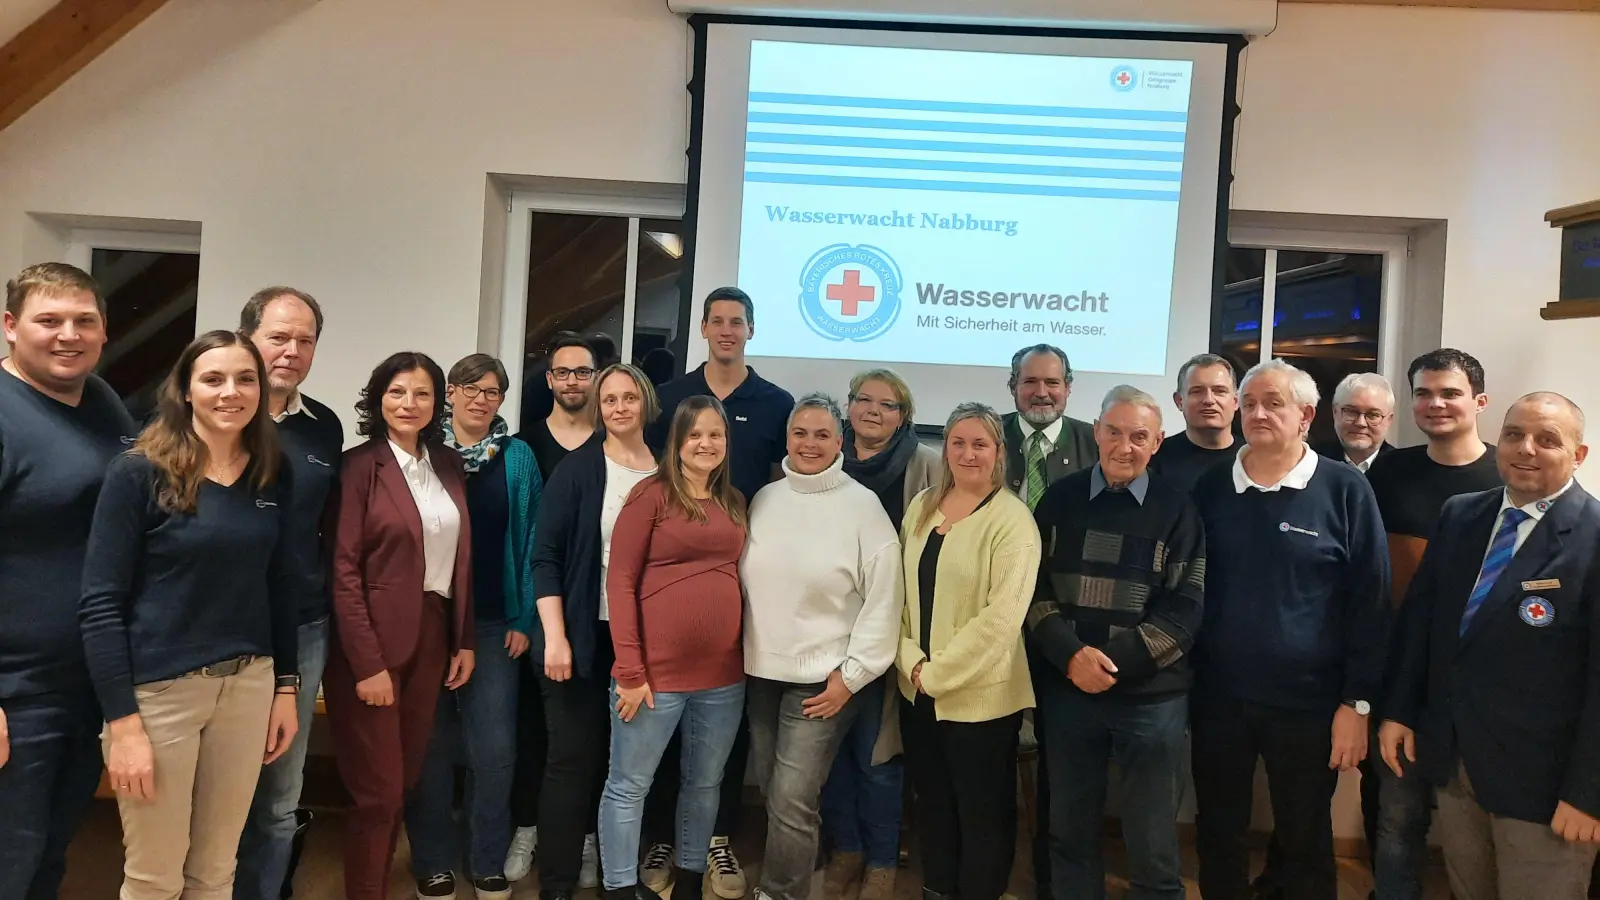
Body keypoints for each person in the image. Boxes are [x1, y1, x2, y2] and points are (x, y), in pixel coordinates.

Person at [79, 329, 300, 900]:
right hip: (159, 697)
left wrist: (284, 688)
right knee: (155, 877)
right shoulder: (138, 472)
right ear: (185, 389)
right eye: (213, 379)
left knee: (215, 870)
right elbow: (100, 602)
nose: (232, 392)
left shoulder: (272, 472)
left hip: (248, 689)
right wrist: (122, 723)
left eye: (245, 378)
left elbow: (281, 586)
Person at [1381, 392, 1600, 900]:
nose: (1526, 448)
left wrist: (1589, 795)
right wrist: (1400, 711)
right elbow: (1422, 624)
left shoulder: (1593, 537)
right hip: (1456, 765)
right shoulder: (1462, 514)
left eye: (1547, 440)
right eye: (1514, 435)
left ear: (1579, 455)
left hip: (1545, 787)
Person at [1189, 358, 1390, 900]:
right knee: (1219, 828)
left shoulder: (1345, 490)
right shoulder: (1210, 489)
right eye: (1249, 403)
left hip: (1310, 704)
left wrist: (1358, 703)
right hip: (1218, 699)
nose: (1256, 413)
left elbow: (1370, 604)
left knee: (1304, 836)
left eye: (1272, 403)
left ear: (1305, 415)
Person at [1028, 386, 1206, 900]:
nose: (1123, 446)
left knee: (1152, 841)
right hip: (1068, 690)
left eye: (1138, 436)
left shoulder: (1179, 510)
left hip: (1151, 700)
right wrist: (1070, 656)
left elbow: (1186, 607)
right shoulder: (1058, 499)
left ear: (1158, 443)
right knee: (1070, 830)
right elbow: (1032, 589)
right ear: (1096, 431)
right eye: (1113, 431)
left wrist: (1107, 664)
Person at [644, 287, 793, 897]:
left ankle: (716, 840)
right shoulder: (673, 398)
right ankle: (661, 835)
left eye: (738, 322)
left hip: (745, 578)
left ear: (751, 331)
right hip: (677, 579)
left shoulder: (777, 402)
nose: (727, 330)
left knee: (723, 720)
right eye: (718, 321)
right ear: (702, 328)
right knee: (666, 719)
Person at [0, 263, 137, 900]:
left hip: (84, 682)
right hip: (15, 691)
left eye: (84, 321)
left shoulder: (102, 400)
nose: (68, 335)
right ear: (9, 326)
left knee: (53, 852)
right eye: (48, 321)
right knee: (11, 855)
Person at [324, 352, 477, 900]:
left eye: (421, 394)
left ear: (438, 402)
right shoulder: (359, 467)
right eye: (396, 392)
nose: (409, 404)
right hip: (372, 644)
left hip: (434, 635)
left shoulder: (447, 463)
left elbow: (459, 560)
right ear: (377, 398)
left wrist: (462, 638)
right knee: (378, 794)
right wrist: (366, 663)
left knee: (406, 781)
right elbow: (342, 570)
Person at [741, 393, 903, 900]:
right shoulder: (766, 498)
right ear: (787, 438)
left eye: (821, 434)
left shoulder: (862, 508)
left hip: (824, 681)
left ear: (840, 443)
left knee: (792, 799)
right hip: (762, 674)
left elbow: (884, 602)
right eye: (799, 433)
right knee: (774, 792)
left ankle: (779, 892)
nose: (809, 444)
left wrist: (850, 678)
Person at [1354, 348, 1500, 900]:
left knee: (1478, 815)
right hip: (1398, 671)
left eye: (1450, 393)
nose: (1435, 404)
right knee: (1395, 812)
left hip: (1478, 676)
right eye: (1423, 393)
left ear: (1479, 402)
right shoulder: (1390, 469)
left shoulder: (1504, 475)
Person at [599, 395, 749, 900]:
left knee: (705, 785)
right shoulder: (651, 496)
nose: (706, 444)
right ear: (677, 442)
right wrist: (630, 670)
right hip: (652, 677)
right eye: (695, 435)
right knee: (629, 786)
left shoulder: (734, 501)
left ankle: (687, 881)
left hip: (723, 677)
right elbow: (620, 583)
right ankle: (619, 888)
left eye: (716, 435)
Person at [404, 354, 541, 900]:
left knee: (494, 749)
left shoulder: (519, 457)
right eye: (471, 388)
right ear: (451, 394)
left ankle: (485, 857)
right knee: (430, 747)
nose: (482, 399)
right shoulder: (422, 453)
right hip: (429, 622)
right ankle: (433, 860)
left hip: (492, 622)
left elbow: (532, 541)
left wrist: (524, 617)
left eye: (494, 391)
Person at [898, 402, 1040, 900]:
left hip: (978, 701)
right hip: (916, 692)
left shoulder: (1013, 520)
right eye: (958, 442)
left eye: (980, 444)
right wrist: (911, 662)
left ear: (999, 452)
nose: (967, 453)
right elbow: (899, 599)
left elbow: (1002, 620)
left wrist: (936, 676)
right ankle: (937, 890)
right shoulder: (920, 508)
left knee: (981, 814)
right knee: (933, 806)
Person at [529, 363, 659, 900]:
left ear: (646, 403)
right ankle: (556, 884)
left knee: (627, 769)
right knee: (571, 760)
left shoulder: (667, 470)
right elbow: (545, 558)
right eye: (610, 400)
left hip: (645, 642)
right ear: (599, 408)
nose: (620, 408)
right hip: (581, 637)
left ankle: (616, 880)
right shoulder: (579, 470)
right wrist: (555, 638)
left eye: (630, 397)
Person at [234, 286, 345, 900]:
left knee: (281, 789)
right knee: (209, 786)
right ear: (249, 335)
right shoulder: (211, 413)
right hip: (218, 628)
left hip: (301, 630)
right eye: (279, 336)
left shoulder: (322, 427)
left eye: (305, 341)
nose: (292, 351)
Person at [820, 370, 939, 900]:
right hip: (823, 635)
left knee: (877, 757)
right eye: (862, 400)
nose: (872, 411)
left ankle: (882, 862)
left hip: (889, 635)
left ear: (903, 416)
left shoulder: (925, 466)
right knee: (831, 757)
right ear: (847, 409)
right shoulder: (825, 459)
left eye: (886, 405)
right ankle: (845, 849)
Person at [508, 331, 600, 881]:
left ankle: (584, 836)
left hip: (595, 613)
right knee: (531, 728)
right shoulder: (524, 447)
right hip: (535, 614)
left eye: (582, 372)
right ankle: (529, 827)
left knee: (589, 735)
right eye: (562, 372)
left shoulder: (613, 446)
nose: (572, 381)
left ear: (597, 378)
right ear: (549, 381)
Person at [1150, 352, 1241, 493]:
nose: (1209, 400)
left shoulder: (1253, 458)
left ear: (1236, 401)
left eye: (1219, 391)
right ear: (1179, 401)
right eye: (1197, 391)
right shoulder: (1155, 459)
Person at [1313, 372, 1395, 472]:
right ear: (1335, 412)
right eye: (1351, 412)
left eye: (1373, 415)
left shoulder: (1404, 470)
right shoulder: (1311, 464)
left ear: (1389, 420)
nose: (1360, 423)